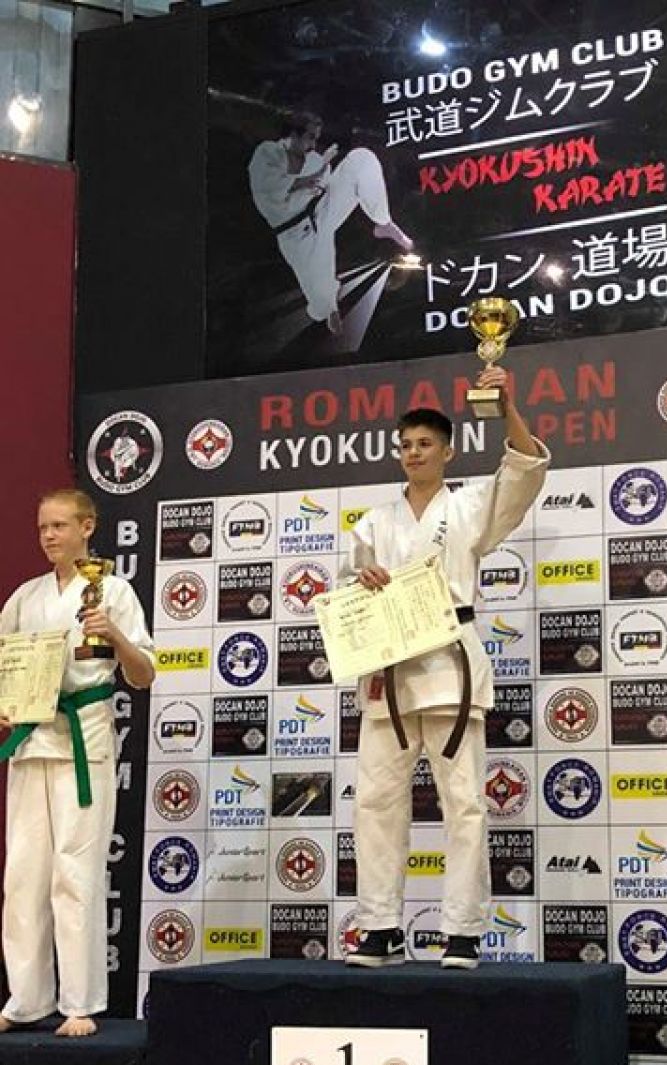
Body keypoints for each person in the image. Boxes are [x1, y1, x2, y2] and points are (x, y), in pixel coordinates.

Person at [343, 367, 549, 969]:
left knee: (463, 802)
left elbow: (525, 468)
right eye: (405, 445)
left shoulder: (469, 506)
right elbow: (345, 593)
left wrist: (507, 406)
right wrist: (362, 581)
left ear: (447, 451)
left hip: (449, 663)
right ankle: (380, 925)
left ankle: (461, 930)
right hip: (389, 667)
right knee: (376, 801)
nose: (413, 453)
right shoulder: (374, 522)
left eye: (425, 444)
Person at [0, 489, 154, 1036]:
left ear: (88, 527)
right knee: (23, 876)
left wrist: (114, 635)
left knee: (76, 873)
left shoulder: (114, 591)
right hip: (31, 743)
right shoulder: (25, 597)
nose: (48, 535)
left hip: (84, 741)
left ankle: (80, 1003)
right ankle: (25, 999)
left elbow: (143, 675)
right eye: (43, 526)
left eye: (60, 525)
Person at [248, 109, 413, 335]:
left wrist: (323, 171)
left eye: (316, 138)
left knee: (361, 159)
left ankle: (383, 221)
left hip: (321, 211)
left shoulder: (314, 158)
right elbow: (273, 188)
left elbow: (323, 185)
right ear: (293, 135)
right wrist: (316, 173)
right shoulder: (267, 153)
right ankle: (328, 311)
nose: (313, 144)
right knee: (319, 297)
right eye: (310, 137)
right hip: (294, 232)